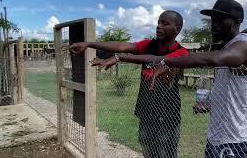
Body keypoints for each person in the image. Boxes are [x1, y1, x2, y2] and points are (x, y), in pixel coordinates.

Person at [69, 10, 189, 158]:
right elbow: (122, 46)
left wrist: (120, 58)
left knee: (166, 155)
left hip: (167, 118)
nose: (158, 26)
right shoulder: (149, 44)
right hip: (146, 114)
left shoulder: (182, 53)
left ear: (177, 29)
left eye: (165, 23)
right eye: (158, 22)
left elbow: (157, 59)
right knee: (148, 152)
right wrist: (89, 44)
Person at [151, 0, 247, 158]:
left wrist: (167, 61)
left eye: (220, 20)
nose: (213, 25)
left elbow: (214, 58)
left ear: (237, 21)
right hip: (216, 138)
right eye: (212, 20)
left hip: (238, 140)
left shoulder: (244, 46)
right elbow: (230, 90)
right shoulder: (227, 47)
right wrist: (210, 104)